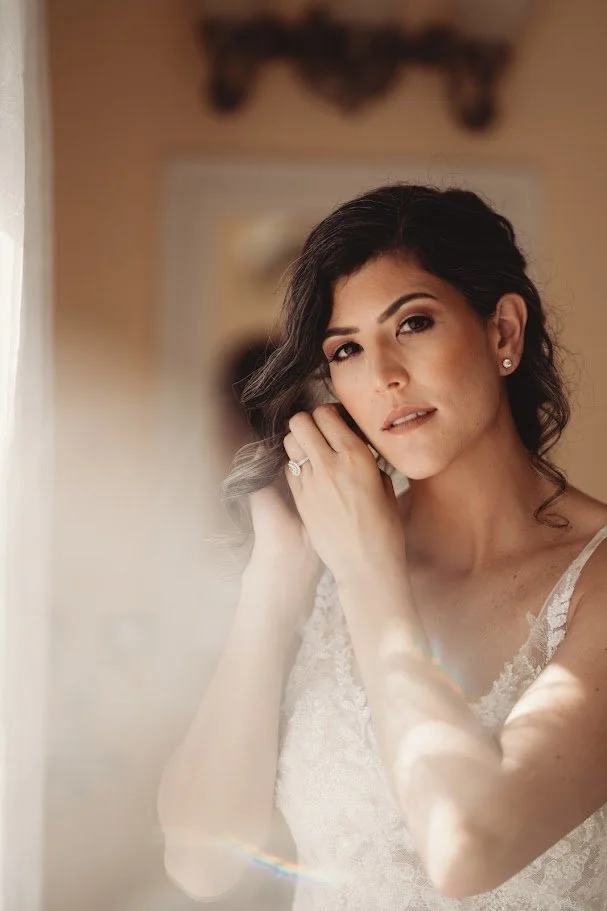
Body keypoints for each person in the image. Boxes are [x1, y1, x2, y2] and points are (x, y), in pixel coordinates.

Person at [157, 185, 607, 910]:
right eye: (346, 348)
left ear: (502, 333)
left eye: (414, 323)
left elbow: (467, 847)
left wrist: (369, 570)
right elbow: (200, 861)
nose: (383, 376)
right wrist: (275, 577)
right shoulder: (316, 561)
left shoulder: (594, 581)